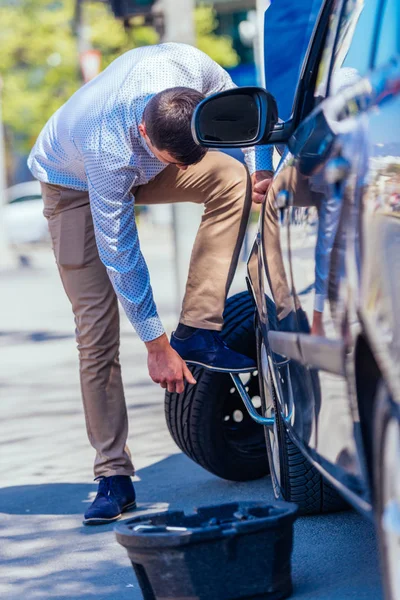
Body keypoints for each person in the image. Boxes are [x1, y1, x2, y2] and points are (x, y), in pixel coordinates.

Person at [28, 42, 274, 525]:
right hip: (72, 181)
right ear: (145, 132)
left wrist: (258, 165)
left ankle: (200, 328)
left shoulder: (188, 65)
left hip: (139, 151)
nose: (183, 169)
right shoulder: (108, 148)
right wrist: (156, 344)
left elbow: (243, 108)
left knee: (233, 178)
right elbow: (122, 254)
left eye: (188, 160)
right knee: (95, 331)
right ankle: (112, 474)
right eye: (174, 160)